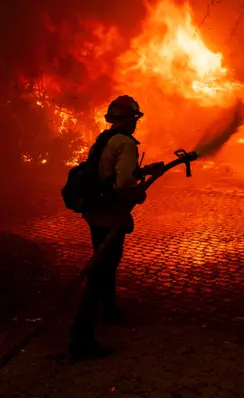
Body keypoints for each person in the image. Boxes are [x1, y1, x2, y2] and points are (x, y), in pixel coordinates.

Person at [69, 95, 157, 359]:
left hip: (95, 211)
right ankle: (82, 338)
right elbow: (124, 185)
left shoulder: (105, 139)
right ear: (129, 119)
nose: (135, 123)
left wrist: (144, 172)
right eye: (134, 118)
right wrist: (138, 193)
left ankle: (110, 310)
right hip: (110, 213)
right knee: (102, 269)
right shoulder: (127, 144)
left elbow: (110, 173)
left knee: (105, 263)